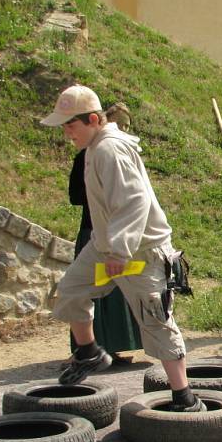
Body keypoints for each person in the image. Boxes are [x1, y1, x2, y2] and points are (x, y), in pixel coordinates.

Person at [42, 85, 202, 411]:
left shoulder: (109, 150)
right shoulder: (93, 147)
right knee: (72, 288)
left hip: (140, 252)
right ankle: (88, 353)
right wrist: (110, 247)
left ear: (92, 119)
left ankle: (184, 396)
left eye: (70, 125)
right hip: (104, 245)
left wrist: (119, 250)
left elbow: (134, 201)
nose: (66, 132)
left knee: (154, 317)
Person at [67, 103, 142, 367]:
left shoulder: (120, 151)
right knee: (89, 291)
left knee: (117, 291)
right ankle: (90, 348)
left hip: (120, 235)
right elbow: (75, 196)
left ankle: (117, 345)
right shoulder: (85, 156)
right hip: (94, 231)